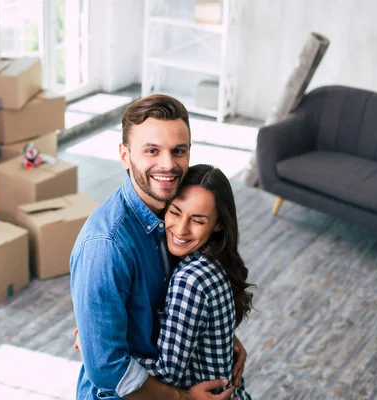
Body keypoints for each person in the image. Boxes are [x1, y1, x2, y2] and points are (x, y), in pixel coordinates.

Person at [70, 94, 246, 400]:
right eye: (152, 150)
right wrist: (184, 399)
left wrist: (219, 335)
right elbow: (107, 369)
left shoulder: (171, 214)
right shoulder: (106, 246)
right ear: (124, 155)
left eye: (178, 151)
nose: (168, 165)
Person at [133, 164, 254, 400]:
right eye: (175, 212)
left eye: (197, 221)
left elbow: (168, 373)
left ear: (218, 224)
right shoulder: (210, 261)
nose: (180, 229)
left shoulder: (190, 280)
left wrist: (101, 348)